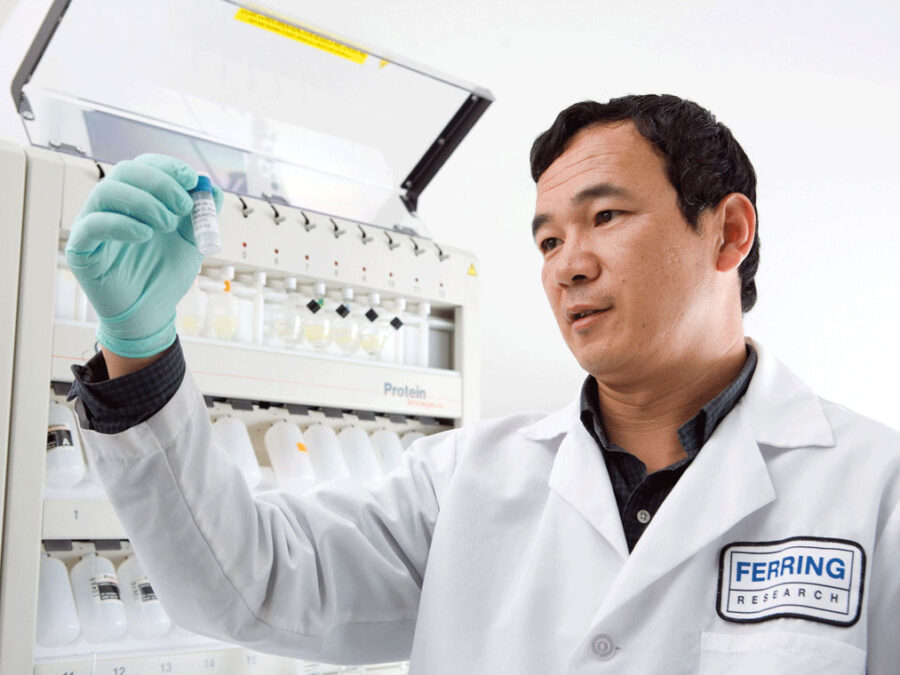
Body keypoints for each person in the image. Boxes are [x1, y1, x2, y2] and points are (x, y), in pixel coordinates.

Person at [67, 94, 899, 673]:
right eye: (548, 241)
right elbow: (249, 584)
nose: (569, 265)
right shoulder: (465, 482)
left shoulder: (875, 492)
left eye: (605, 217)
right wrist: (141, 348)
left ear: (729, 231)